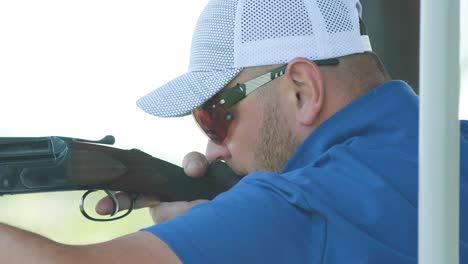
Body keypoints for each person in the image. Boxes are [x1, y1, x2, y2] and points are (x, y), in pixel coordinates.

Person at [0, 0, 467, 263]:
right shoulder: (454, 148)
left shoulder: (295, 207)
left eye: (216, 114)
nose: (212, 147)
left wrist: (238, 225)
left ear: (302, 90)